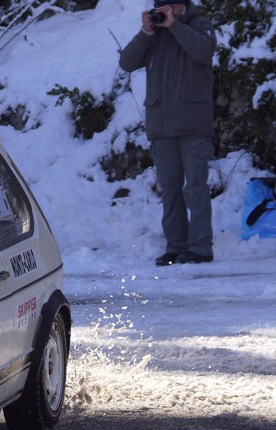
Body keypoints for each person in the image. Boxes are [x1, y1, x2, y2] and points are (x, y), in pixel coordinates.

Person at [120, 0, 216, 265]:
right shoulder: (155, 34)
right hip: (161, 125)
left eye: (169, 7)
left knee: (195, 187)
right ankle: (175, 246)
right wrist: (146, 32)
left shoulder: (200, 26)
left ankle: (200, 247)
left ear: (180, 6)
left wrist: (175, 27)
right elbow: (127, 62)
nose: (164, 13)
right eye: (160, 8)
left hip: (193, 123)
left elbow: (202, 52)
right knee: (170, 189)